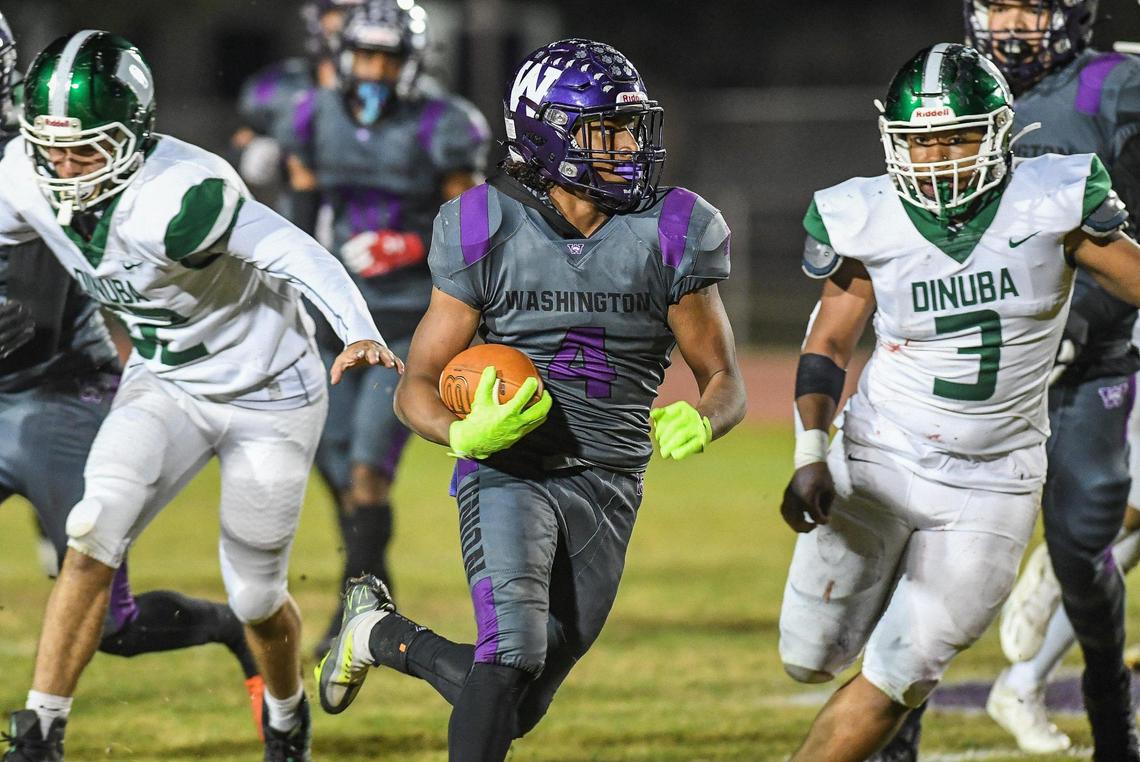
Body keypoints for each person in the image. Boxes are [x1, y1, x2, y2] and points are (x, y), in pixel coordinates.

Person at [312, 38, 746, 761]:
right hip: (509, 468)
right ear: (547, 135)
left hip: (611, 477)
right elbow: (417, 383)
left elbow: (724, 378)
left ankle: (377, 634)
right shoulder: (484, 224)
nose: (627, 147)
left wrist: (704, 418)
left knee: (517, 703)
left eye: (631, 128)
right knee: (510, 652)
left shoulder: (675, 228)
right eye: (605, 130)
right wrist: (461, 436)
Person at [0, 30, 400, 762]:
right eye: (51, 148)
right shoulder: (24, 175)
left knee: (255, 596)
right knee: (92, 530)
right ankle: (40, 734)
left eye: (85, 150)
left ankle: (286, 716)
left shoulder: (181, 196)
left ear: (132, 138)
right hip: (166, 381)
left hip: (267, 394)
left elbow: (298, 252)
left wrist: (357, 329)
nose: (64, 168)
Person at [779, 42, 1140, 762]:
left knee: (901, 673)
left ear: (1000, 133)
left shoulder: (1052, 201)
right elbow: (828, 344)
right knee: (807, 659)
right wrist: (810, 452)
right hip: (879, 456)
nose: (938, 158)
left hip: (994, 483)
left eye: (959, 137)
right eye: (922, 141)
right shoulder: (865, 215)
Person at [0, 14, 266, 751]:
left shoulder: (46, 149)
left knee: (111, 626)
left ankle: (231, 627)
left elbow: (29, 314)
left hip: (59, 391)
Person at [953, 2, 1140, 756]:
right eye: (996, 7)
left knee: (1104, 513)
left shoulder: (1108, 83)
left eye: (1028, 7)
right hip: (999, 334)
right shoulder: (958, 86)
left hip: (1112, 323)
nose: (1010, 24)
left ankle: (1033, 668)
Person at [277, 0, 490, 658]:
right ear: (343, 56)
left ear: (412, 62)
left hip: (408, 320)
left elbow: (473, 228)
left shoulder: (444, 125)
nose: (374, 69)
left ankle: (357, 610)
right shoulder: (311, 118)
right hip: (338, 317)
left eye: (387, 57)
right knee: (335, 464)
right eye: (364, 54)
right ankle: (371, 593)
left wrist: (411, 244)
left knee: (368, 468)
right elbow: (299, 215)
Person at [230, 0, 363, 207]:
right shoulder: (281, 85)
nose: (352, 21)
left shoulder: (406, 95)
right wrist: (248, 154)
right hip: (297, 216)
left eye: (362, 11)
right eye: (342, 11)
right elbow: (240, 142)